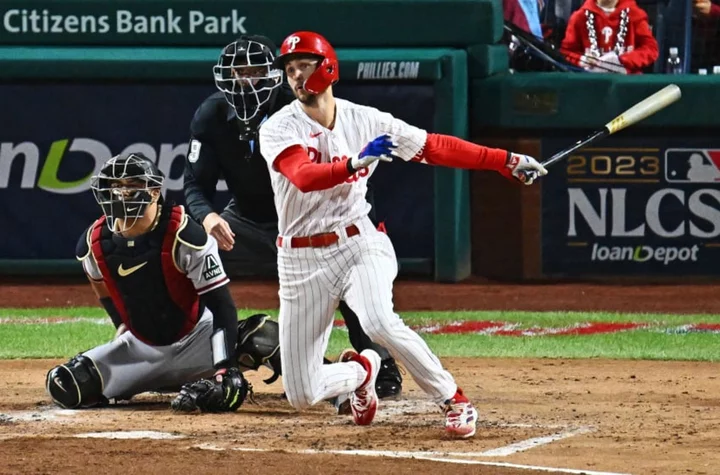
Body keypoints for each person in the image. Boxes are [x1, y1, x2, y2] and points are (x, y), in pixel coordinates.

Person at [258, 31, 548, 438]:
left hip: (358, 242)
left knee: (378, 321)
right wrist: (355, 162)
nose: (295, 76)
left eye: (303, 65)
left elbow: (434, 147)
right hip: (299, 260)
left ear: (327, 68)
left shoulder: (365, 119)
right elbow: (303, 177)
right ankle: (361, 372)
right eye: (289, 69)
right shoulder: (278, 128)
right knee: (301, 393)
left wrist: (506, 160)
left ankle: (453, 399)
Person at [182, 34, 403, 401]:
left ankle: (377, 359)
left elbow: (347, 172)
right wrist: (206, 218)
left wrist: (366, 227)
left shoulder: (301, 106)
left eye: (255, 72)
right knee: (191, 254)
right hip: (247, 223)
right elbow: (194, 185)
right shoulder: (212, 115)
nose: (246, 81)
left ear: (273, 75)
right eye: (239, 73)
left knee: (350, 267)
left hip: (312, 220)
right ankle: (193, 356)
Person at [45, 152, 250, 414]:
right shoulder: (93, 242)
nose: (121, 193)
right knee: (65, 384)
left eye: (131, 186)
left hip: (197, 337)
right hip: (142, 347)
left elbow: (222, 306)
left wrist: (225, 365)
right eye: (115, 186)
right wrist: (121, 324)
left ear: (154, 192)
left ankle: (315, 380)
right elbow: (102, 288)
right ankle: (166, 379)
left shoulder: (185, 234)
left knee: (262, 337)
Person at [561, 0, 659, 74]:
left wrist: (622, 60)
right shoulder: (579, 17)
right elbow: (566, 53)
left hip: (627, 83)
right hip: (589, 84)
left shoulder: (635, 15)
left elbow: (651, 49)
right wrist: (583, 60)